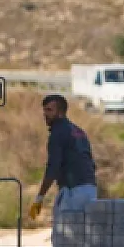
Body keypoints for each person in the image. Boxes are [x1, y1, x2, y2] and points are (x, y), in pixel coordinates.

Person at [28, 93, 97, 227]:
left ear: (60, 112)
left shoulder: (57, 133)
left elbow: (53, 167)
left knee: (64, 232)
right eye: (44, 110)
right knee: (83, 233)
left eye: (49, 110)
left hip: (73, 190)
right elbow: (91, 162)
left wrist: (40, 198)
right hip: (90, 189)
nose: (45, 114)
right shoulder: (78, 131)